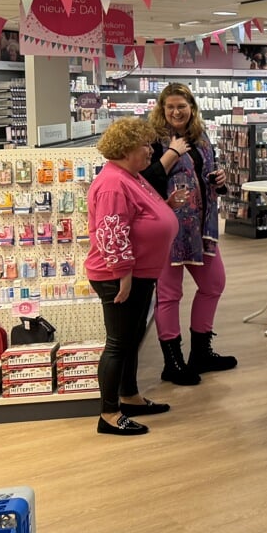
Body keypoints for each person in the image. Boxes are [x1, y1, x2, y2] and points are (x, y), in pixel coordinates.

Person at [86, 117, 182, 437]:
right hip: (120, 275)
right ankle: (109, 413)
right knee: (118, 343)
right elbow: (111, 233)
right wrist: (123, 275)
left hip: (137, 272)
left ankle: (129, 395)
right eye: (145, 145)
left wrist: (165, 208)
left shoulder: (131, 176)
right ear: (127, 149)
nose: (150, 151)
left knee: (131, 338)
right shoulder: (114, 182)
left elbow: (139, 218)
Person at [142, 83, 236, 384]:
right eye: (169, 106)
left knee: (214, 283)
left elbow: (205, 174)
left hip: (202, 226)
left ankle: (201, 353)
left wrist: (220, 179)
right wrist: (171, 153)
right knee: (170, 294)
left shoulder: (201, 137)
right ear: (161, 109)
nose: (176, 111)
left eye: (181, 106)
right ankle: (173, 361)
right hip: (168, 228)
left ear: (191, 107)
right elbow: (147, 181)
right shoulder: (154, 141)